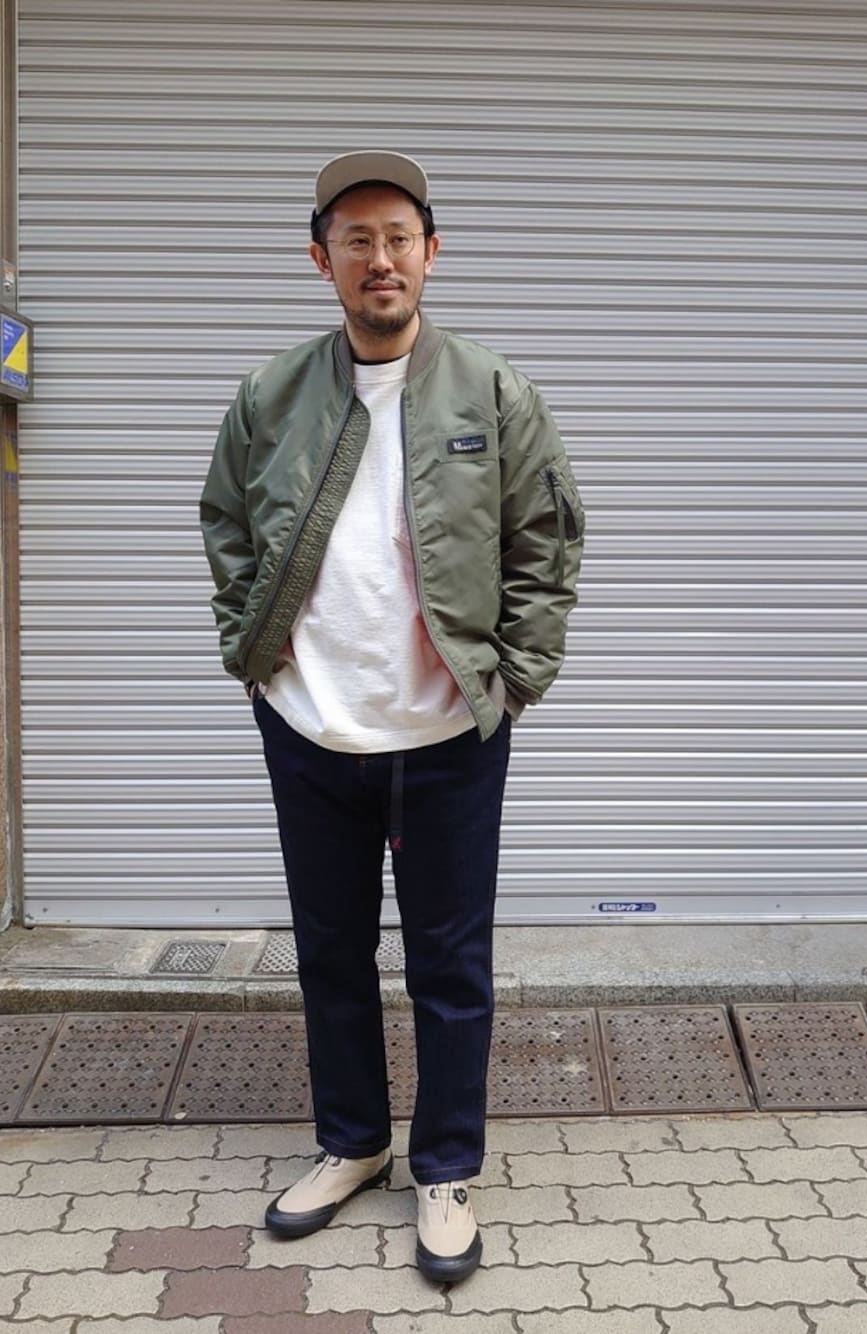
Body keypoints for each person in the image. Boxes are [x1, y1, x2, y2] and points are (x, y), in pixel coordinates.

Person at [200, 150, 584, 1283]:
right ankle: (353, 1142)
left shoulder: (492, 391)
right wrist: (256, 659)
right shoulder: (271, 395)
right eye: (356, 239)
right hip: (311, 727)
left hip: (449, 732)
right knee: (329, 952)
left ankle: (447, 1166)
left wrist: (516, 678)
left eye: (398, 237)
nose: (380, 258)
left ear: (431, 253)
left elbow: (547, 539)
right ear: (320, 260)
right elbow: (226, 523)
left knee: (449, 964)